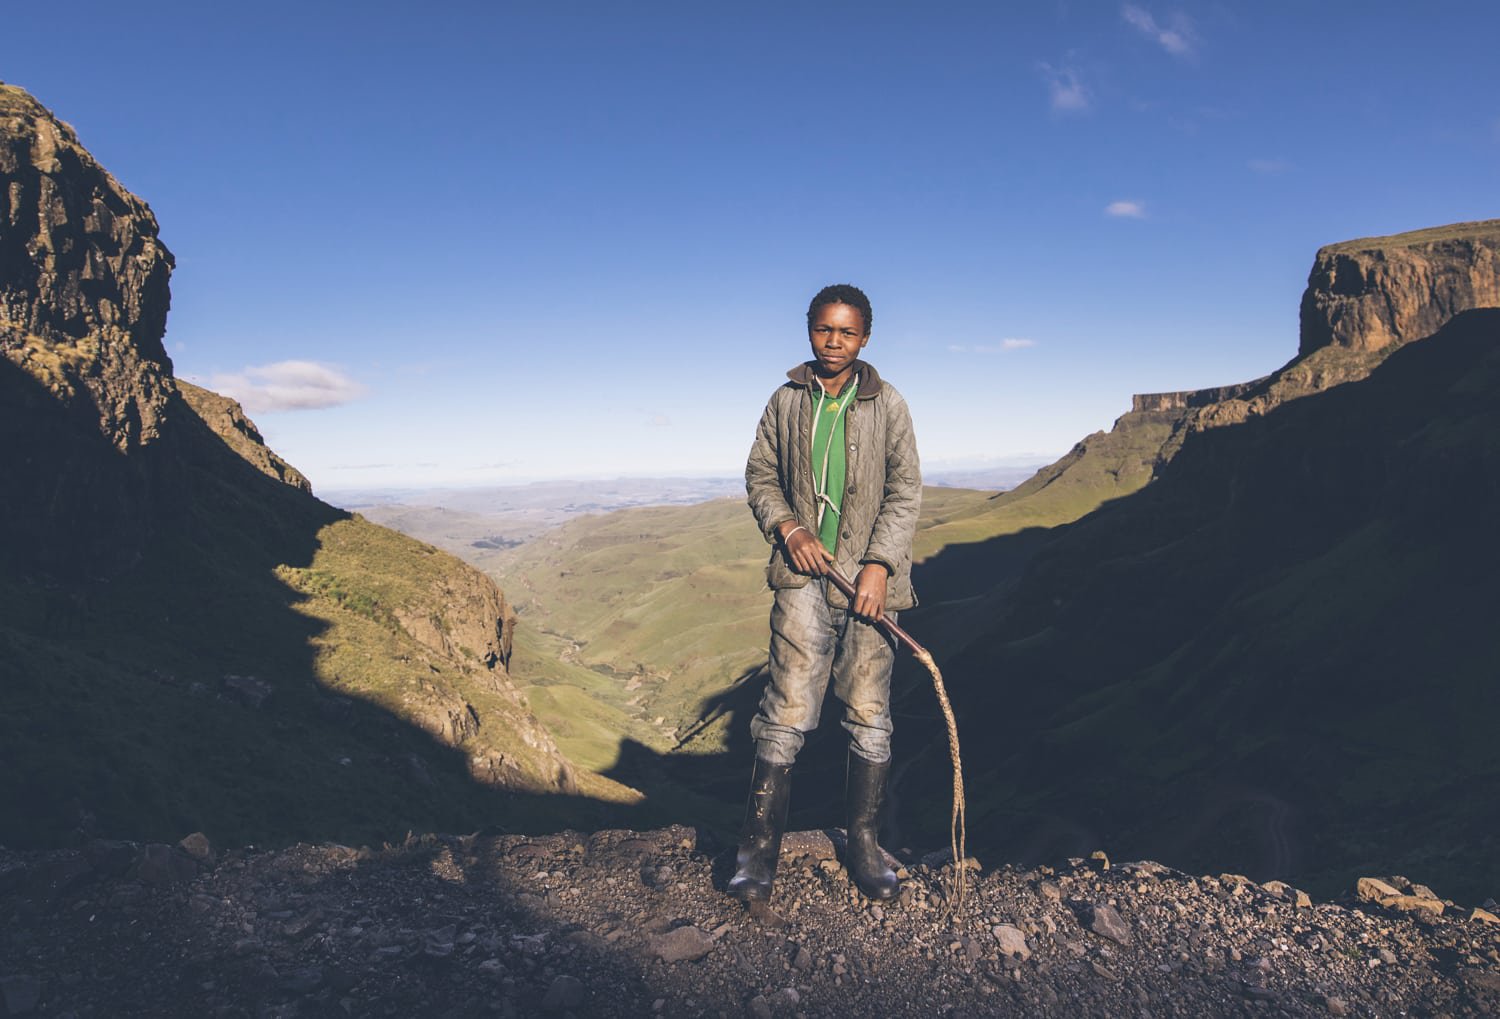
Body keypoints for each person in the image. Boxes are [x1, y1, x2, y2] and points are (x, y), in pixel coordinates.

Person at [732, 283, 921, 903]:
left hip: (869, 585)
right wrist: (787, 527)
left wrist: (880, 565)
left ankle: (865, 844)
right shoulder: (786, 401)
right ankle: (757, 855)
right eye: (824, 330)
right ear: (808, 330)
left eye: (847, 332)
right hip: (802, 579)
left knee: (868, 708)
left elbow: (904, 491)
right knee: (786, 706)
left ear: (866, 337)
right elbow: (761, 475)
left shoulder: (888, 403)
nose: (834, 342)